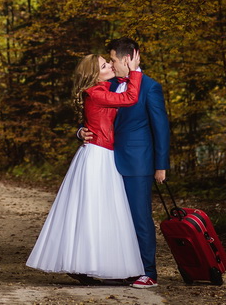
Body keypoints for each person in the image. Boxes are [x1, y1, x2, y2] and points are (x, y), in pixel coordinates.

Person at [26, 51, 145, 280]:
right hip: (98, 156)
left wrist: (80, 131)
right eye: (104, 66)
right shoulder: (96, 91)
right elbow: (129, 99)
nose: (110, 65)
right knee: (96, 211)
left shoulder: (100, 90)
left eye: (108, 62)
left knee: (103, 212)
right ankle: (86, 264)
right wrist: (135, 72)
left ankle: (95, 265)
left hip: (103, 153)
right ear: (94, 75)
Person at [77, 37, 170, 289]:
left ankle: (148, 272)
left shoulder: (149, 87)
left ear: (127, 59)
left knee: (140, 217)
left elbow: (161, 128)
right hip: (106, 162)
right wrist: (80, 132)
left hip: (137, 163)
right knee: (117, 219)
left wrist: (160, 165)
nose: (112, 63)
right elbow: (95, 116)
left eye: (114, 60)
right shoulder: (109, 84)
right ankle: (125, 268)